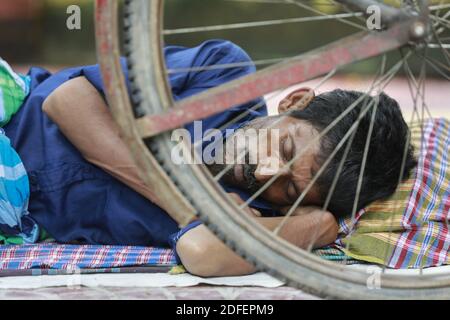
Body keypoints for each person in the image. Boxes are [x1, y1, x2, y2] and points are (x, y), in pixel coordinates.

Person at [0, 40, 416, 276]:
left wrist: (318, 226)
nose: (266, 170)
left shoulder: (252, 213)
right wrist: (193, 202)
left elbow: (202, 252)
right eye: (286, 147)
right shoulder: (223, 74)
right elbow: (67, 100)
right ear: (294, 101)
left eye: (291, 188)